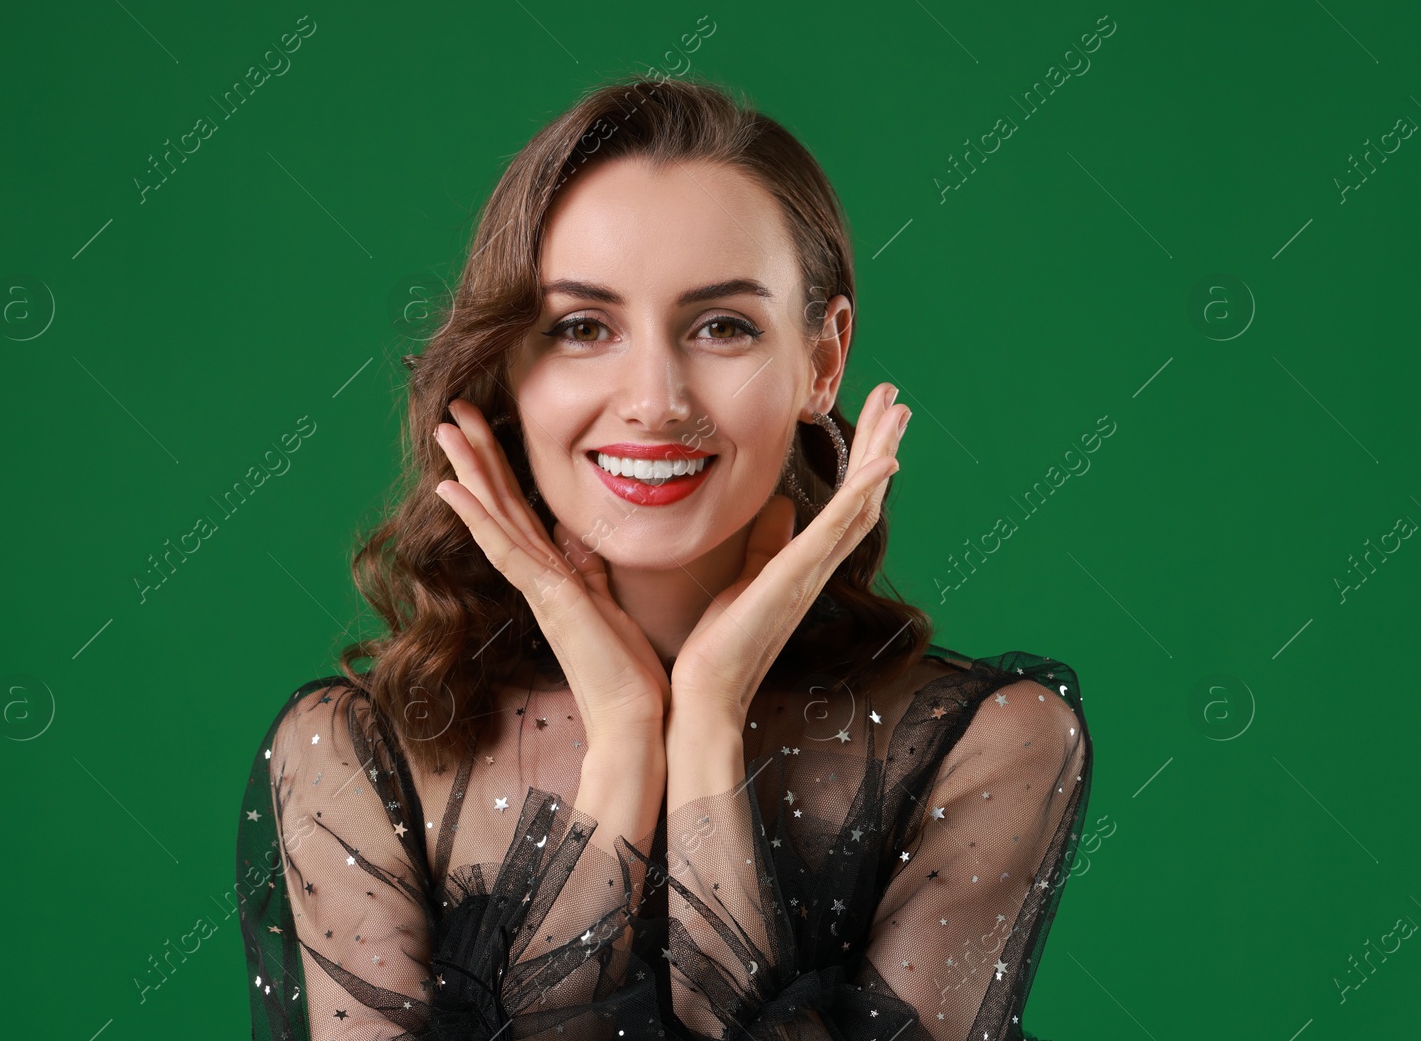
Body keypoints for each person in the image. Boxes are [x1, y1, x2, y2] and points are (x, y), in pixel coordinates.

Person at [236, 75, 1092, 1041]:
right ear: (508, 367)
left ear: (823, 359)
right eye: (582, 327)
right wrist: (626, 734)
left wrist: (709, 725)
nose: (654, 398)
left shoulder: (990, 744)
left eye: (722, 326)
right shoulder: (352, 758)